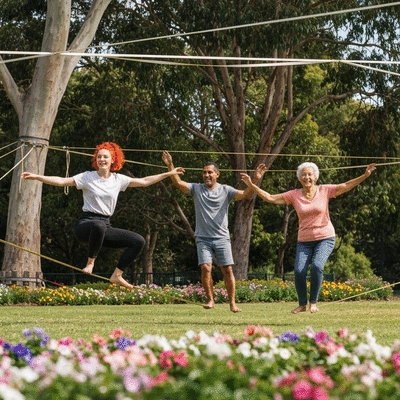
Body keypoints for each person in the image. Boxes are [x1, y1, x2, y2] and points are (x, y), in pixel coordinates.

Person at [22, 142, 184, 289]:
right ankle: (90, 263)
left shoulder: (118, 180)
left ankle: (117, 275)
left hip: (105, 226)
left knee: (138, 241)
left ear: (113, 159)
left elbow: (144, 181)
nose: (101, 159)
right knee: (98, 226)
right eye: (99, 157)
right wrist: (37, 177)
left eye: (105, 157)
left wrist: (168, 173)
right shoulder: (87, 177)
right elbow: (62, 181)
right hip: (86, 225)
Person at [241, 162, 376, 314]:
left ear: (316, 177)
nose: (307, 177)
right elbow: (270, 198)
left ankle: (313, 302)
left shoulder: (324, 190)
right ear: (300, 178)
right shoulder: (294, 195)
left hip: (325, 237)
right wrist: (252, 184)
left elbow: (345, 186)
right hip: (304, 241)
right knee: (299, 271)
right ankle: (302, 304)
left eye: (310, 174)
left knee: (317, 266)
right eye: (303, 175)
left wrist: (365, 176)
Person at [162, 150, 264, 313]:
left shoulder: (226, 190)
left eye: (210, 172)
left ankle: (232, 303)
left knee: (227, 270)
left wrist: (256, 179)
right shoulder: (196, 189)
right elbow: (179, 184)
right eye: (204, 172)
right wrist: (170, 165)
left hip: (222, 238)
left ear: (217, 174)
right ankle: (210, 299)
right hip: (203, 238)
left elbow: (245, 195)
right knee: (206, 268)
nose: (206, 175)